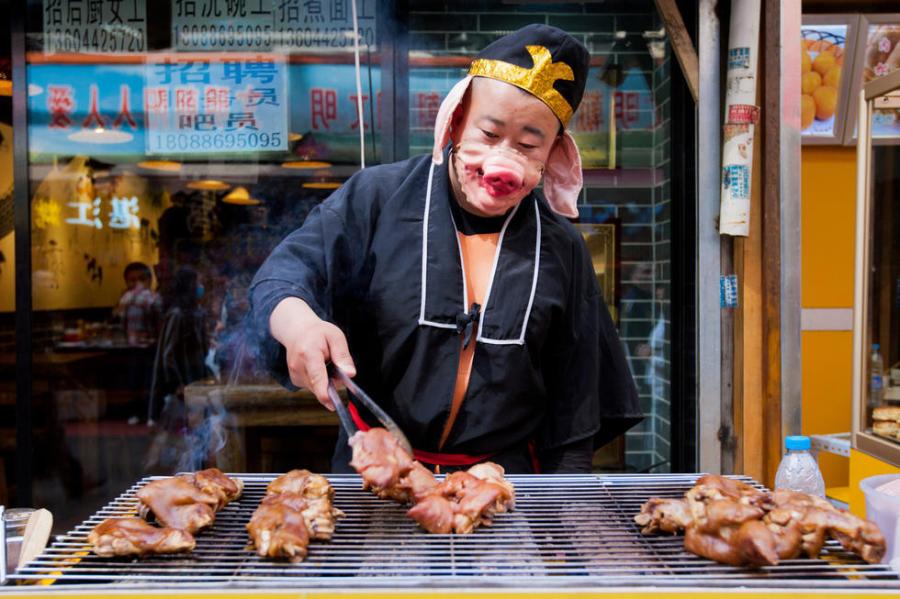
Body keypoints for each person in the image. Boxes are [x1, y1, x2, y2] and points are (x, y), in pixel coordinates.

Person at [250, 25, 642, 474]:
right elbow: (285, 275)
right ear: (455, 121)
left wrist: (565, 506)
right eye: (489, 134)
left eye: (528, 145)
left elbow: (575, 408)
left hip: (499, 484)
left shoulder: (562, 246)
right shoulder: (377, 198)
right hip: (380, 474)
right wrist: (299, 324)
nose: (502, 162)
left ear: (553, 154)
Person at [148, 266, 210, 426]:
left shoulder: (198, 312)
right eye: (197, 282)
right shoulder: (177, 315)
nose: (201, 286)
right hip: (183, 378)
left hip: (196, 377)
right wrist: (177, 383)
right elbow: (168, 355)